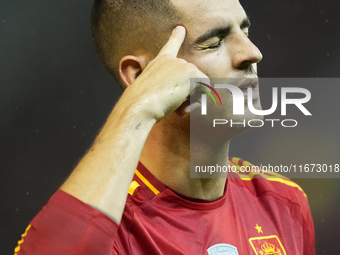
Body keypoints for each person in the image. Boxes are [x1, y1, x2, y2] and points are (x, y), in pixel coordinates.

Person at [14, 0, 315, 254]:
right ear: (140, 74)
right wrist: (138, 108)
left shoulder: (282, 202)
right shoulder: (110, 226)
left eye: (245, 31)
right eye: (214, 41)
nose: (252, 53)